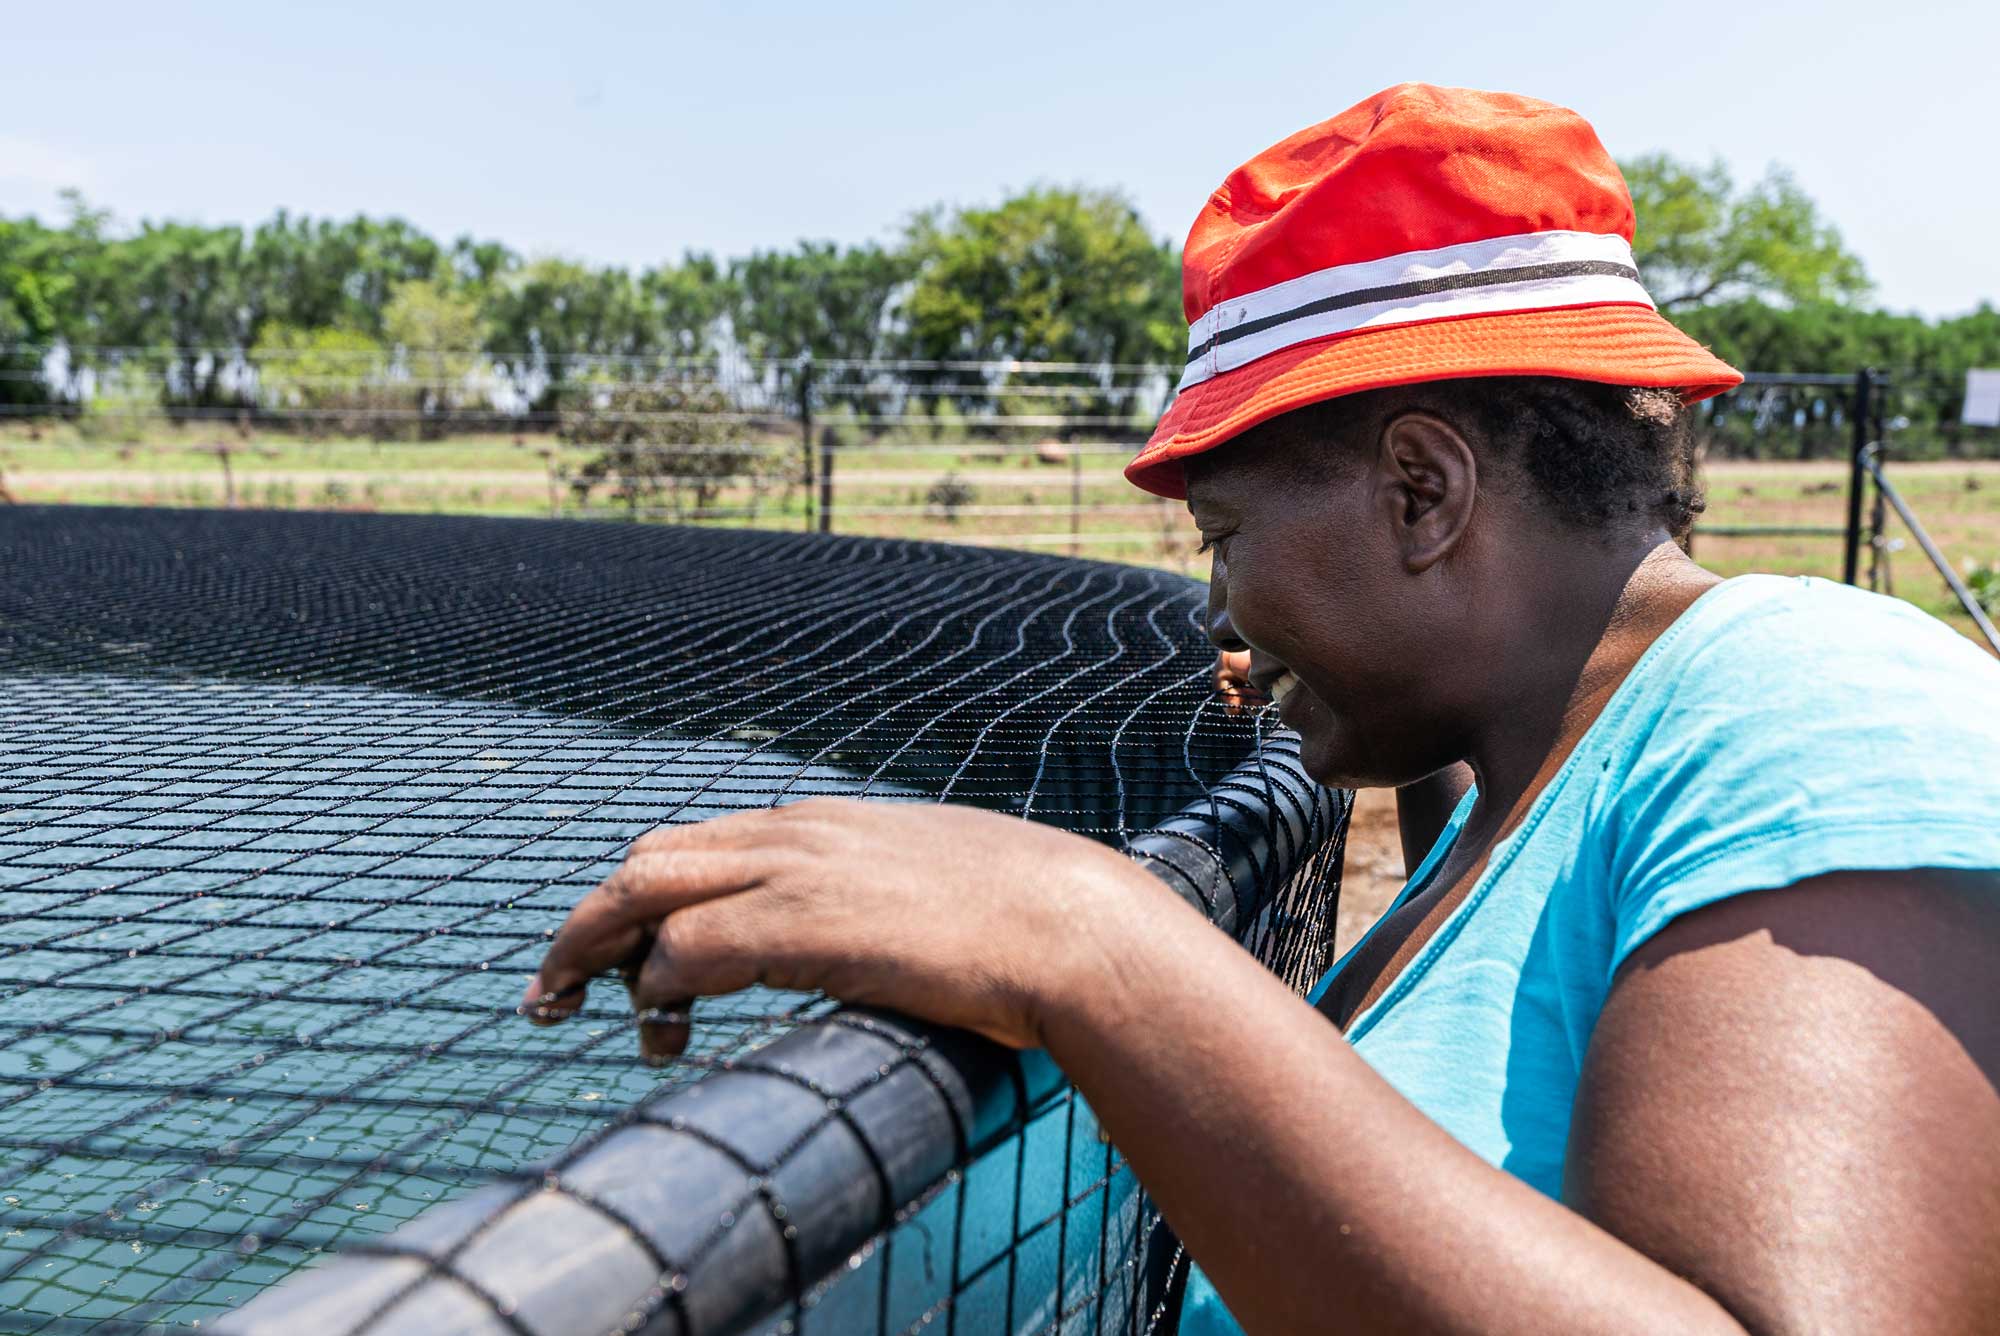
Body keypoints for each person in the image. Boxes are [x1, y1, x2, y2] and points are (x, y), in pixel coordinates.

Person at [520, 86, 2000, 1333]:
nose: (1218, 609)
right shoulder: (1524, 781)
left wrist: (1093, 941)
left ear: (1422, 492)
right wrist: (1357, 698)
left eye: (1225, 539)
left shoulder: (1822, 706)